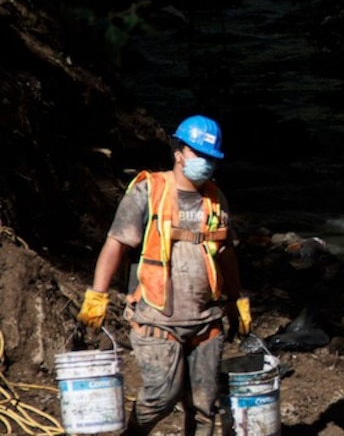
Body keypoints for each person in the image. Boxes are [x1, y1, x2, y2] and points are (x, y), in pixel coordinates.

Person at [76, 115, 251, 436]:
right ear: (179, 153)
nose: (206, 163)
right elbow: (115, 244)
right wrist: (97, 295)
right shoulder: (148, 192)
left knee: (204, 406)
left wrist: (236, 300)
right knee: (161, 396)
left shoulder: (215, 200)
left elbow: (225, 253)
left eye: (212, 158)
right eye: (200, 155)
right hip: (157, 321)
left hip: (206, 322)